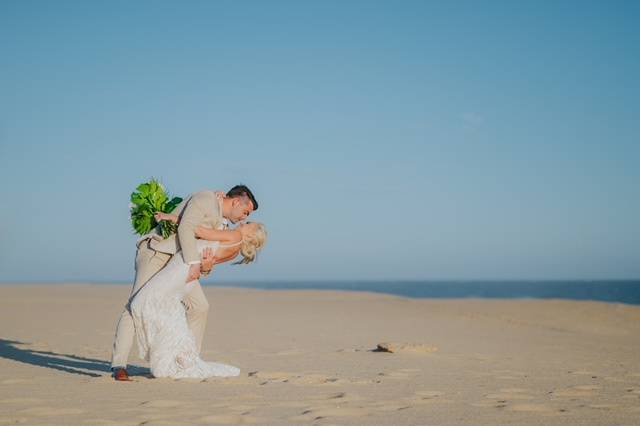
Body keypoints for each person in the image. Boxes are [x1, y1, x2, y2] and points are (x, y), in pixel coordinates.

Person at [110, 185, 259, 381]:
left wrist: (205, 266)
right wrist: (196, 264)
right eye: (245, 212)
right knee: (136, 304)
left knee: (200, 307)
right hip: (158, 252)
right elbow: (186, 227)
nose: (244, 218)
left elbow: (206, 253)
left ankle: (188, 360)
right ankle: (119, 365)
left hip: (180, 265)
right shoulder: (206, 198)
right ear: (237, 201)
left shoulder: (223, 225)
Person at [130, 218, 267, 378]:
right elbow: (208, 264)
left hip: (183, 267)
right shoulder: (235, 250)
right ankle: (181, 356)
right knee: (166, 307)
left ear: (251, 235)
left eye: (250, 224)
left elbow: (199, 231)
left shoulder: (234, 236)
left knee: (144, 302)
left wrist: (171, 217)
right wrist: (206, 265)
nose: (246, 221)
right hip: (186, 269)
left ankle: (180, 355)